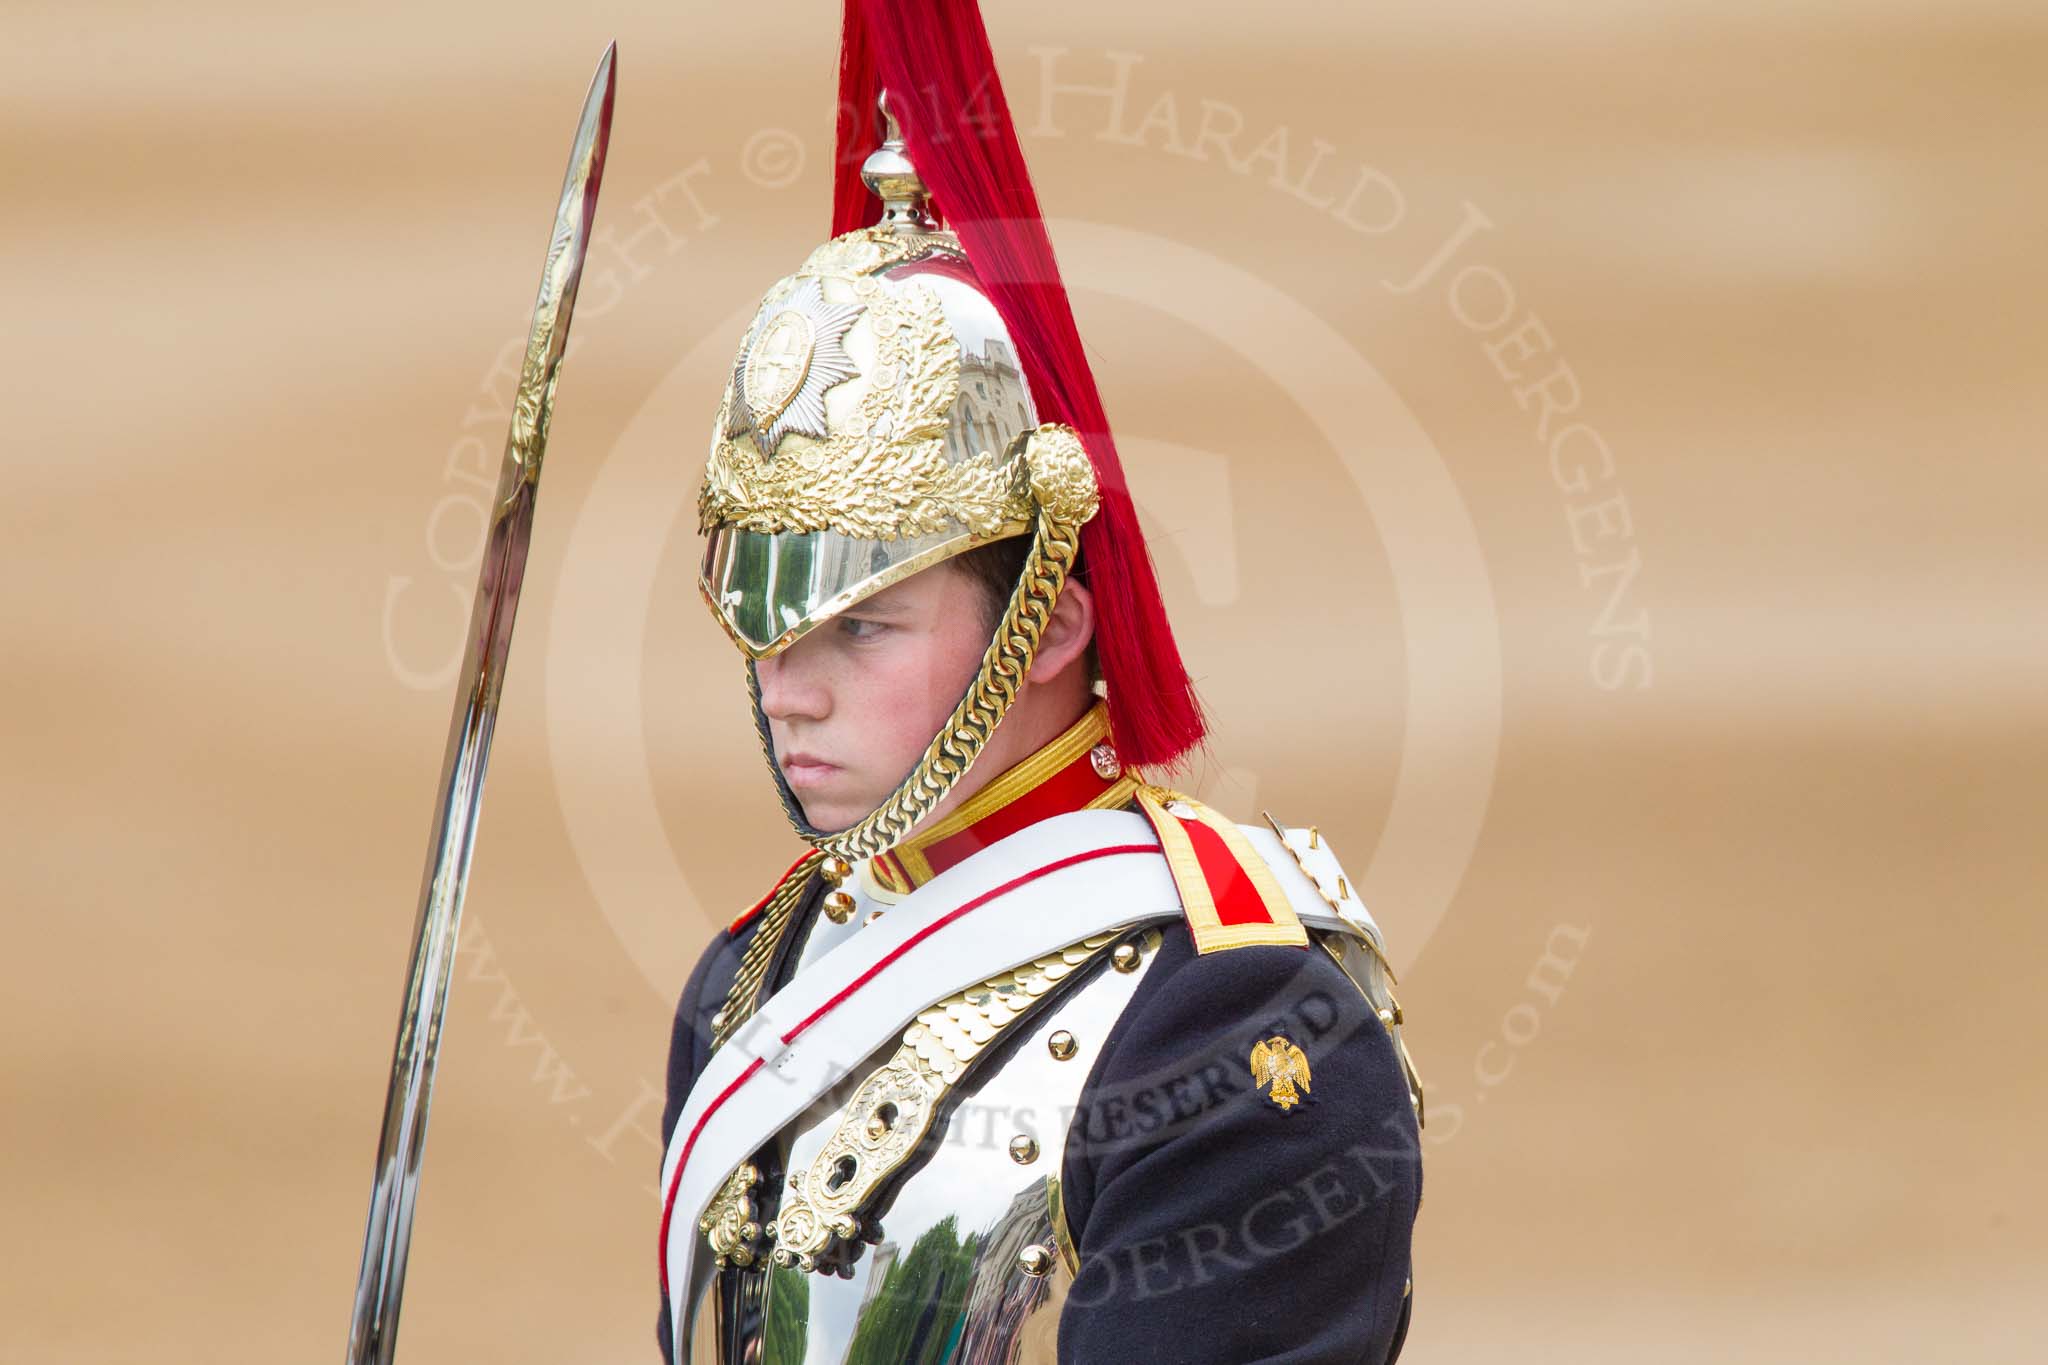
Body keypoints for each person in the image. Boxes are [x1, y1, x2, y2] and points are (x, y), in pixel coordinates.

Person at [656, 2, 1423, 1360]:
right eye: (775, 631)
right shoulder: (755, 975)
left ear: (1052, 626)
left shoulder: (1236, 1023)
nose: (788, 691)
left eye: (864, 629)